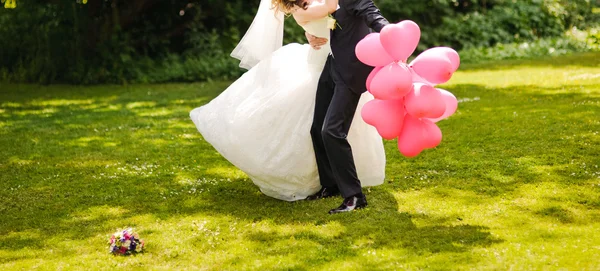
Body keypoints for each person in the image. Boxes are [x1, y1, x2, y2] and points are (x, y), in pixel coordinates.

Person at [189, 0, 386, 205]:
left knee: (330, 130)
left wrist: (315, 32)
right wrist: (311, 31)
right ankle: (331, 184)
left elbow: (345, 15)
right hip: (331, 63)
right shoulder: (304, 9)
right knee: (318, 128)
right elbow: (328, 12)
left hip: (345, 66)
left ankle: (351, 194)